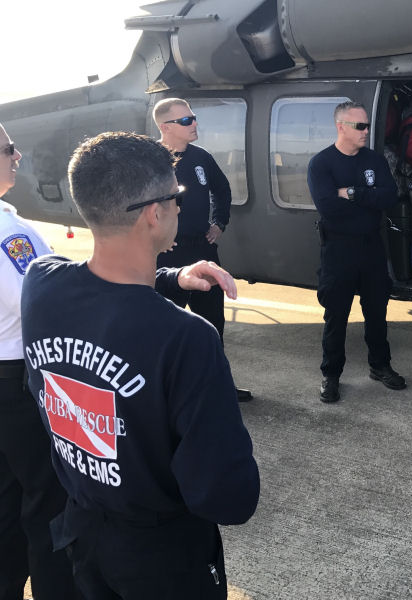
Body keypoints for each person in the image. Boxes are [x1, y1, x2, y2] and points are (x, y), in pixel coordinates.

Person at [21, 131, 260, 599]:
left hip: (82, 535)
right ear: (154, 214)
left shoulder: (40, 282)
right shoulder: (188, 339)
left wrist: (174, 278)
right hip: (163, 556)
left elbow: (100, 289)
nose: (178, 206)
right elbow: (226, 497)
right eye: (177, 197)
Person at [0, 123, 80, 599]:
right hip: (15, 385)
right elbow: (42, 299)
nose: (17, 156)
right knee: (48, 505)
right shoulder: (8, 232)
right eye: (9, 149)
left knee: (6, 502)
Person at [152, 98, 252, 401]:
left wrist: (219, 221)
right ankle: (163, 395)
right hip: (167, 257)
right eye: (186, 121)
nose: (194, 124)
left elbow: (222, 190)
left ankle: (218, 387)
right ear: (165, 127)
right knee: (165, 330)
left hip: (202, 251)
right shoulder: (151, 162)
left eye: (193, 118)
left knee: (212, 327)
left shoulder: (201, 158)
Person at [307, 100, 405, 403]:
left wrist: (351, 192)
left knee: (377, 311)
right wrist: (367, 199)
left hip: (371, 246)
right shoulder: (321, 163)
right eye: (360, 126)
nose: (366, 131)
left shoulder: (374, 160)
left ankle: (380, 366)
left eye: (367, 125)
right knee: (336, 315)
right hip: (338, 249)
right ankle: (331, 375)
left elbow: (389, 196)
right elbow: (328, 207)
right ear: (341, 127)